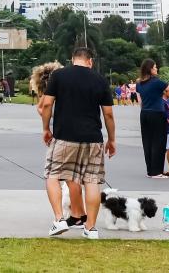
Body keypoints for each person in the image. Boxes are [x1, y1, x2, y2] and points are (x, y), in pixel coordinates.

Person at [38, 46, 115, 240]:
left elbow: (46, 104)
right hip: (93, 139)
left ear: (73, 59)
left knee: (53, 174)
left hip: (65, 136)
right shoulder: (100, 80)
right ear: (90, 61)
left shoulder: (59, 76)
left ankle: (59, 219)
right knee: (92, 181)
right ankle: (90, 228)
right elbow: (108, 114)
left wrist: (46, 128)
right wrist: (112, 139)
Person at [135, 60, 169, 179]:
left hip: (144, 114)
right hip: (157, 113)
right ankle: (157, 172)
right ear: (150, 69)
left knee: (147, 142)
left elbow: (140, 101)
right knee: (159, 142)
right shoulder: (157, 82)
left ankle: (150, 171)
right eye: (155, 67)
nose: (157, 69)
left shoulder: (139, 83)